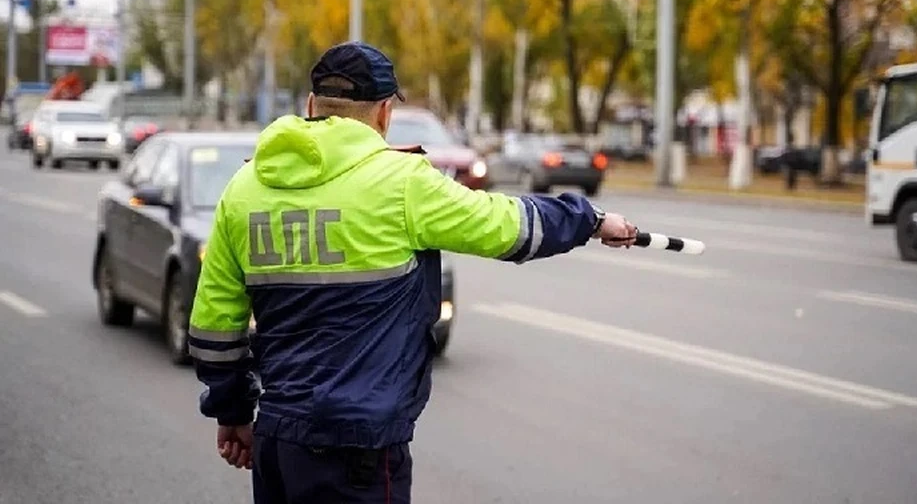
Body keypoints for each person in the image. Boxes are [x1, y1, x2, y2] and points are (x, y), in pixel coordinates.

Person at [188, 41, 638, 503]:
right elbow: (507, 226)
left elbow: (213, 324)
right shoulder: (401, 183)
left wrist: (232, 411)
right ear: (384, 113)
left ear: (310, 106)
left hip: (276, 441)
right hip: (358, 445)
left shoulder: (243, 189)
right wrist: (591, 220)